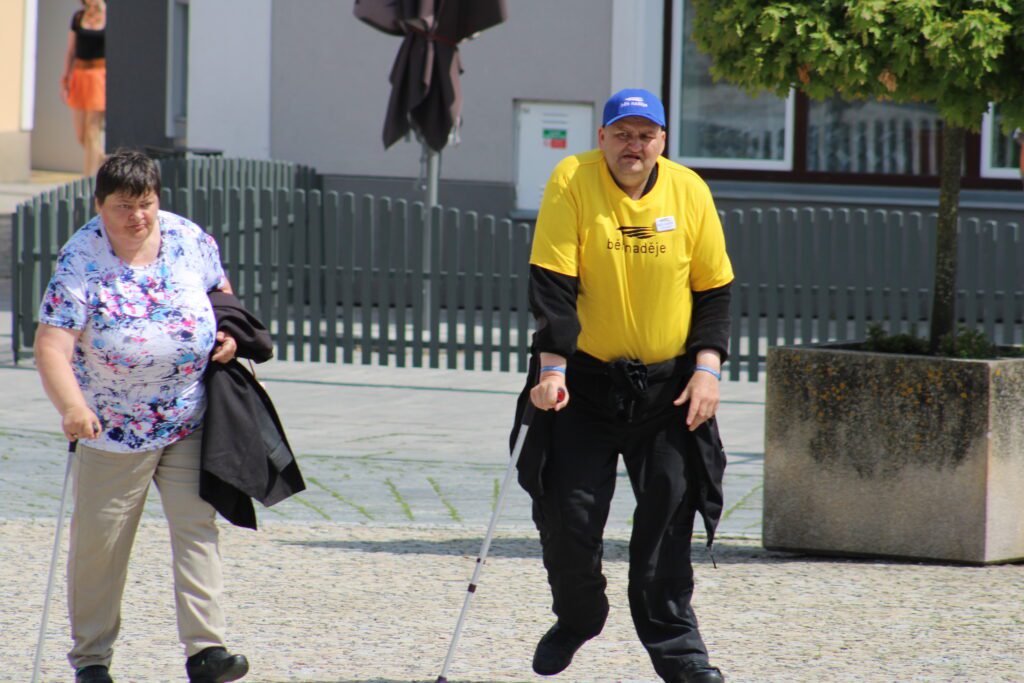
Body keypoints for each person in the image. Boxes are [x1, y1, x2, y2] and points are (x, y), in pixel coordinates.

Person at [516, 89, 734, 683]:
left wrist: (708, 370)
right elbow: (553, 283)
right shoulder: (572, 179)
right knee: (568, 518)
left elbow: (714, 291)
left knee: (668, 520)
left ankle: (681, 655)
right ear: (603, 138)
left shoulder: (689, 190)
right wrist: (552, 370)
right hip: (582, 382)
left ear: (662, 140)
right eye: (622, 134)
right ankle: (579, 617)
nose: (633, 146)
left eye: (645, 135)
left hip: (668, 389)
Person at [34, 151, 249, 683]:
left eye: (146, 204)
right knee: (101, 546)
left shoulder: (187, 238)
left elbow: (220, 294)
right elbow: (52, 345)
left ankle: (207, 650)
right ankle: (92, 658)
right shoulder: (81, 257)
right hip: (112, 426)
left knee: (196, 527)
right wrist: (72, 406)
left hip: (188, 413)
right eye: (124, 206)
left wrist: (229, 334)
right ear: (99, 205)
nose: (138, 217)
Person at [60, 0, 107, 176]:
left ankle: (89, 178)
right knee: (81, 134)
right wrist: (65, 79)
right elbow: (71, 51)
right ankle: (103, 159)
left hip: (99, 75)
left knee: (92, 130)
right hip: (79, 74)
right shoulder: (79, 16)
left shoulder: (108, 16)